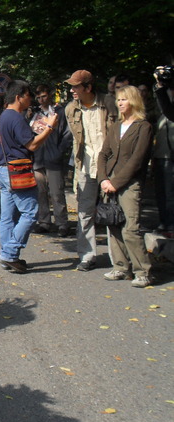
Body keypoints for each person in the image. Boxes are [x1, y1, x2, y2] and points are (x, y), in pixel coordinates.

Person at [0, 80, 57, 273]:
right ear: (18, 96)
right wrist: (49, 127)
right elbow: (31, 145)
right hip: (17, 171)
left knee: (7, 217)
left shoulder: (4, 116)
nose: (31, 99)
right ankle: (10, 253)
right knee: (30, 213)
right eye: (29, 95)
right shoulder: (15, 117)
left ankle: (8, 254)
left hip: (4, 170)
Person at [97, 85, 153, 287]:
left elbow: (137, 160)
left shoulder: (143, 127)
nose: (120, 103)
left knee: (131, 228)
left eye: (124, 99)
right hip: (109, 182)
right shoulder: (115, 126)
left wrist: (116, 182)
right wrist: (103, 178)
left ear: (134, 101)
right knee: (113, 225)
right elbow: (103, 154)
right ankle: (121, 267)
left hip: (129, 184)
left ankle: (142, 271)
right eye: (118, 100)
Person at [65, 70, 118, 271]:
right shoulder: (71, 109)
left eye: (76, 86)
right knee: (84, 213)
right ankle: (87, 256)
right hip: (86, 168)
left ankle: (118, 260)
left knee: (113, 213)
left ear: (88, 87)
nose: (72, 90)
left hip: (110, 167)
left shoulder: (109, 103)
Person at [30, 84, 72, 237]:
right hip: (38, 158)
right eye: (38, 97)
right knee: (40, 192)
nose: (41, 100)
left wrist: (59, 151)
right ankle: (44, 222)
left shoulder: (59, 112)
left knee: (56, 193)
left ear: (50, 95)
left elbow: (67, 135)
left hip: (54, 159)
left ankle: (62, 223)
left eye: (44, 96)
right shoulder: (35, 113)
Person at [152, 66, 174, 234]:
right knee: (162, 190)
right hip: (161, 151)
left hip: (170, 152)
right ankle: (164, 221)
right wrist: (160, 86)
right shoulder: (162, 98)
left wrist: (161, 90)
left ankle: (170, 224)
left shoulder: (166, 101)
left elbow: (170, 112)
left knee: (170, 191)